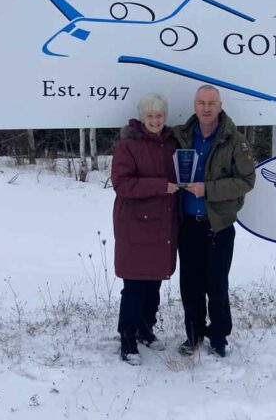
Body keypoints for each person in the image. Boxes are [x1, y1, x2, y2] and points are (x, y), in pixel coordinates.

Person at [174, 84, 256, 358]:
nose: (206, 108)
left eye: (211, 103)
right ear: (194, 106)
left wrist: (208, 189)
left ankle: (219, 336)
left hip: (217, 226)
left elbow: (246, 181)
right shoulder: (182, 136)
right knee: (190, 284)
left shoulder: (234, 140)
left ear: (220, 106)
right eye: (201, 103)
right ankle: (194, 335)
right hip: (187, 225)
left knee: (216, 284)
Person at [111, 93, 179, 365]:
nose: (155, 120)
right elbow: (122, 184)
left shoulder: (172, 144)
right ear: (142, 118)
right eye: (150, 116)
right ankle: (127, 339)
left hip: (163, 224)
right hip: (135, 225)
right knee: (134, 284)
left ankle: (145, 328)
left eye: (159, 115)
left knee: (154, 283)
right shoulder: (127, 145)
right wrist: (160, 185)